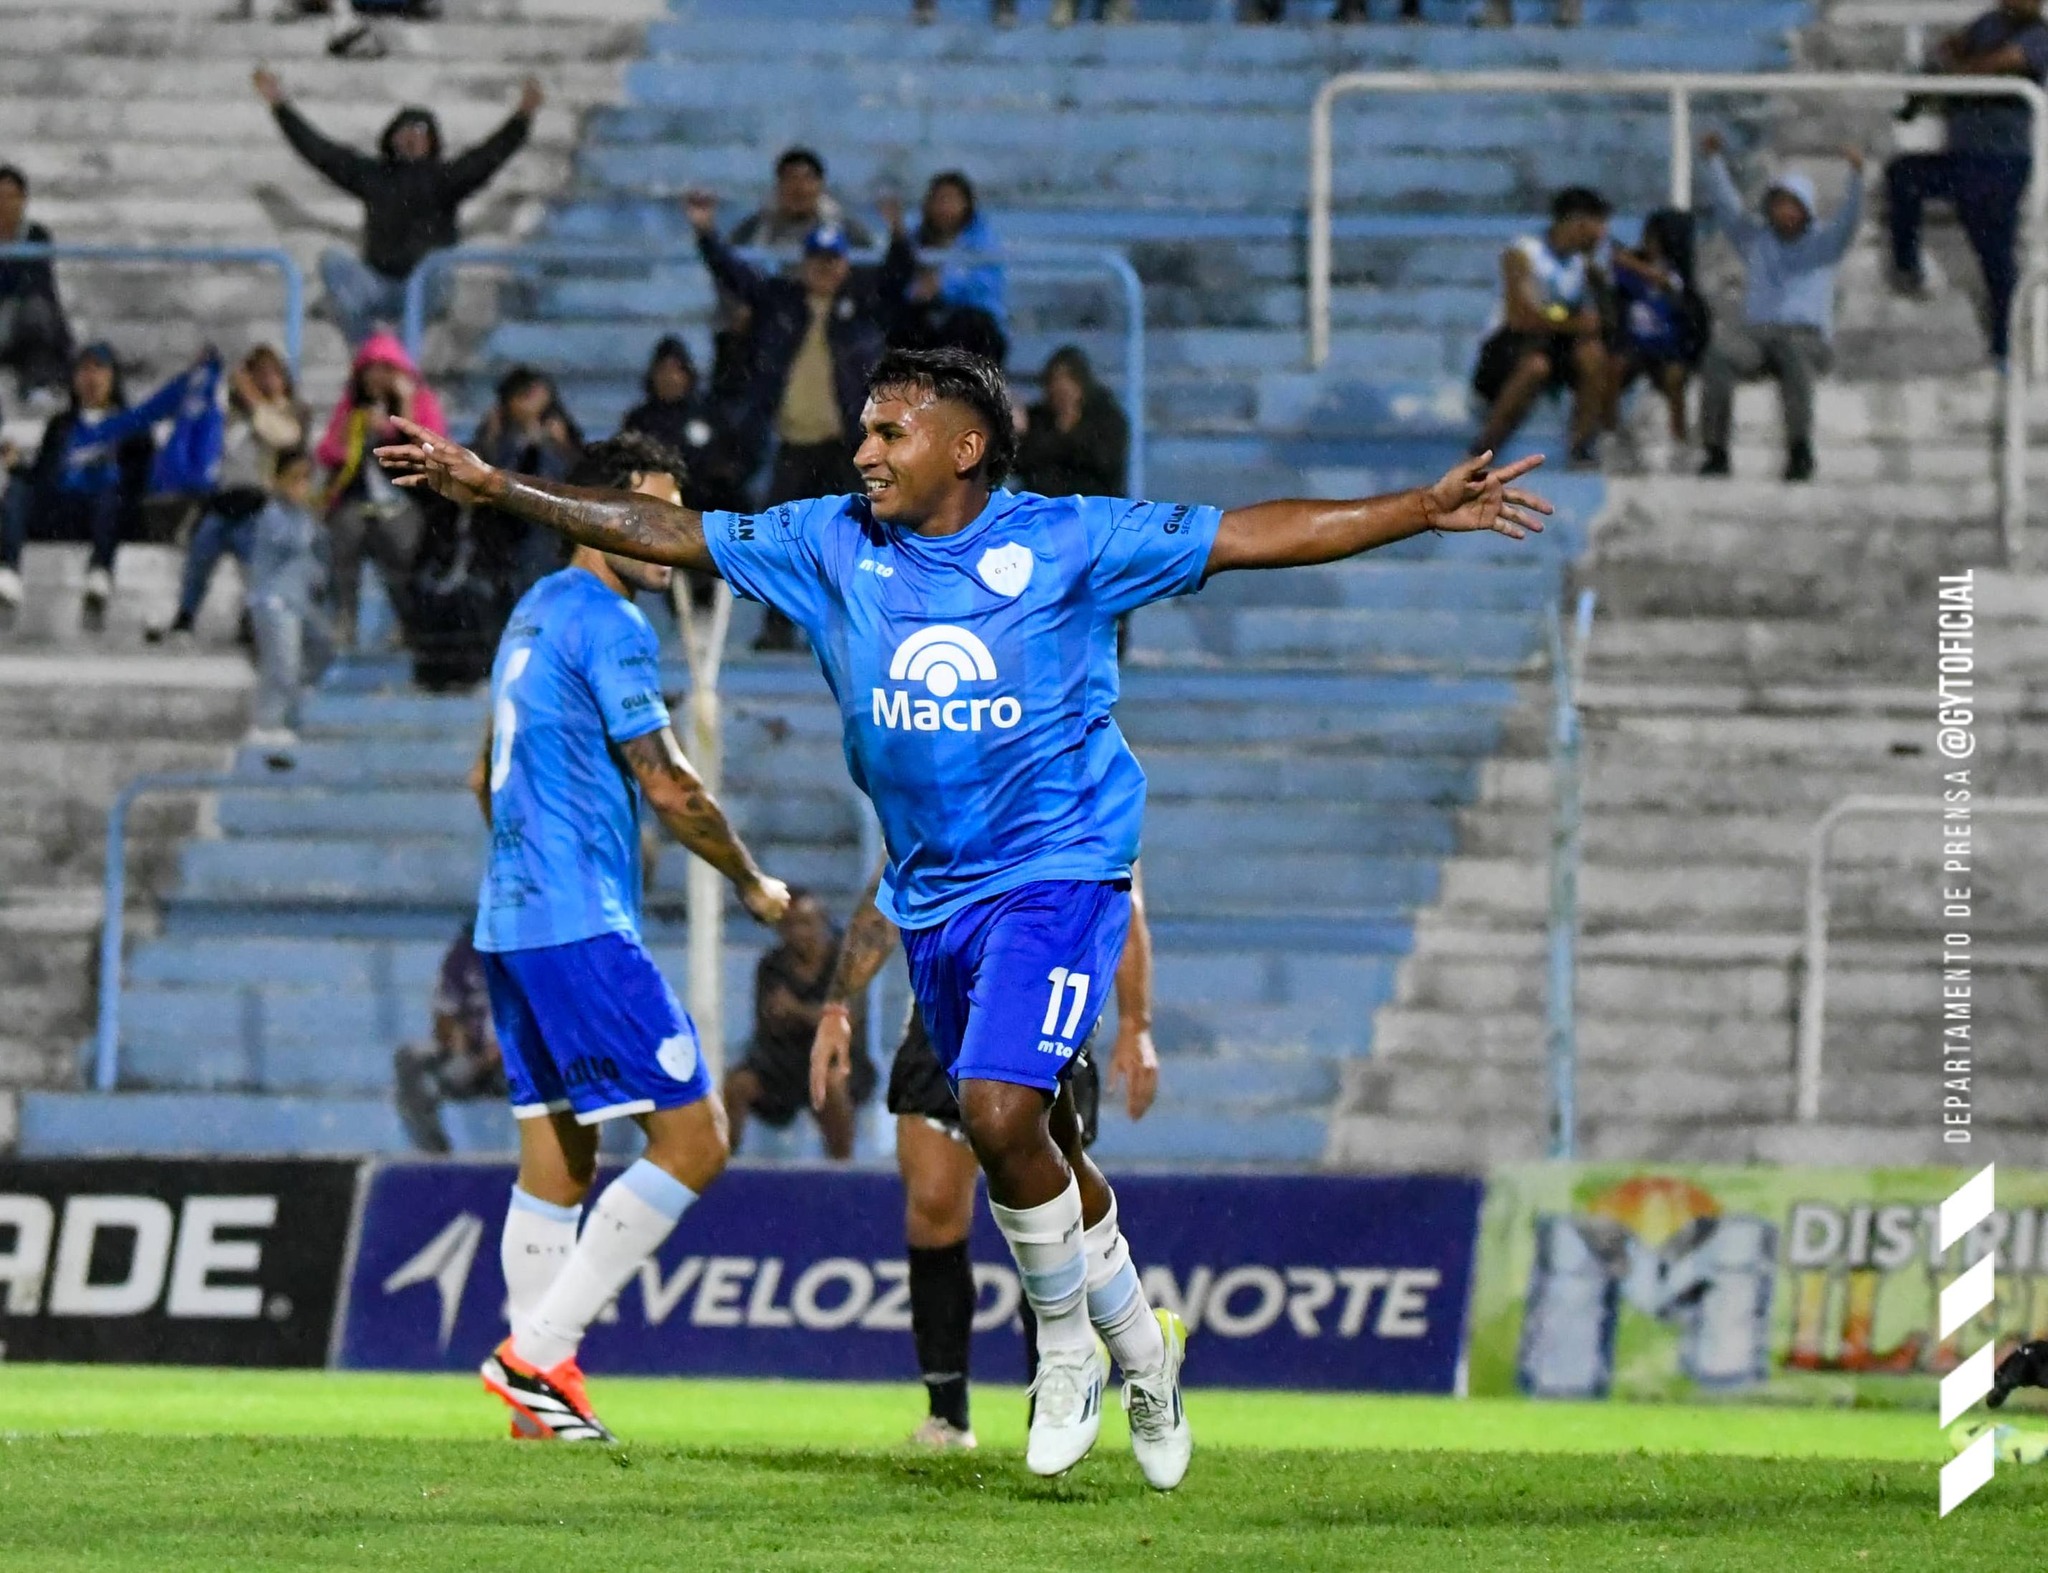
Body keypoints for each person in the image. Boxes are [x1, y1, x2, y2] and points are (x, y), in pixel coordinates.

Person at [376, 345, 1549, 1487]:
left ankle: (1065, 1356)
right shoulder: (828, 540)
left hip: (1062, 868)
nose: (864, 448)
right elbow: (668, 532)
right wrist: (498, 486)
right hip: (931, 894)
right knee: (1046, 1150)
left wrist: (1416, 506)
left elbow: (1253, 534)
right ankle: (1142, 1346)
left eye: (890, 431)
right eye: (865, 429)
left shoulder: (1064, 538)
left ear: (965, 446)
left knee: (995, 1111)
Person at [456, 432, 789, 1442]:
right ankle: (535, 1355)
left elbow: (481, 778)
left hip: (510, 918)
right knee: (696, 1136)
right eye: (645, 515)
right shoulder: (607, 621)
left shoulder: (533, 613)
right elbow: (667, 782)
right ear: (595, 513)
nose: (664, 538)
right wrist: (749, 878)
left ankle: (538, 1408)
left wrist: (538, 861)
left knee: (556, 1162)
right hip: (576, 921)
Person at [812, 861, 1159, 1451]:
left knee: (1047, 1201)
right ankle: (947, 1416)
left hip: (1045, 996)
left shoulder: (1076, 782)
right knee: (932, 1204)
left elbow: (1127, 902)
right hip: (945, 1008)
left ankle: (1057, 1407)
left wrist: (1136, 1023)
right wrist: (837, 1007)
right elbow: (885, 894)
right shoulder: (937, 781)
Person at [684, 188, 914, 650]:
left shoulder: (862, 305)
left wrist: (897, 233)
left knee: (854, 540)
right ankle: (778, 626)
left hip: (844, 442)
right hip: (789, 440)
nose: (825, 270)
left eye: (833, 261)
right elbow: (736, 277)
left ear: (846, 264)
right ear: (804, 263)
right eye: (817, 260)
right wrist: (706, 233)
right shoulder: (781, 301)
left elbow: (896, 276)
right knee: (779, 540)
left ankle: (853, 628)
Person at [253, 68, 542, 349]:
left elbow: (488, 156)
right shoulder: (372, 174)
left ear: (432, 141)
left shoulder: (446, 178)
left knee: (439, 273)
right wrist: (281, 106)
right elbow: (321, 153)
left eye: (420, 131)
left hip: (422, 284)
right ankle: (369, 352)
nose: (411, 137)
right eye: (405, 130)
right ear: (391, 137)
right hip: (377, 281)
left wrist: (523, 117)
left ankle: (396, 359)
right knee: (332, 261)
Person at [1885, 0, 2048, 363]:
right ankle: (1907, 266)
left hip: (2000, 161)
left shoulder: (2039, 35)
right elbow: (1951, 48)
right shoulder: (1987, 24)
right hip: (1962, 155)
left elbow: (2000, 64)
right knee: (1903, 175)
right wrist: (1943, 64)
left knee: (1994, 253)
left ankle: (2006, 346)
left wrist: (1956, 73)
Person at [1696, 135, 1865, 483]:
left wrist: (1856, 176)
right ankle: (1715, 451)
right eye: (1778, 204)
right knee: (1719, 355)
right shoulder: (1757, 239)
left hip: (1806, 338)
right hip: (1759, 338)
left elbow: (1848, 223)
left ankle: (1800, 450)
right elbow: (1728, 209)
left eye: (1793, 205)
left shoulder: (1822, 244)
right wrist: (1713, 162)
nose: (1785, 213)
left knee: (1793, 353)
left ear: (1805, 208)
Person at [0, 345, 205, 628]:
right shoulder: (61, 425)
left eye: (99, 370)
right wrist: (16, 465)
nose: (91, 378)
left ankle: (99, 573)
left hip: (107, 513)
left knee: (109, 495)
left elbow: (140, 480)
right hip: (60, 510)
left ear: (112, 377)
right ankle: (8, 571)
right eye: (84, 370)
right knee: (18, 489)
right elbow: (42, 477)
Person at [152, 345, 307, 644]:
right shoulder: (226, 413)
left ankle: (254, 621)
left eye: (273, 374)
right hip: (220, 502)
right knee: (199, 561)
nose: (267, 381)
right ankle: (185, 618)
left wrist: (253, 399)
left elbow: (284, 436)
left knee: (256, 569)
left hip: (258, 505)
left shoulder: (289, 412)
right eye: (259, 374)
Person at [317, 330, 446, 649]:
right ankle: (344, 621)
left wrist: (400, 413)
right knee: (344, 538)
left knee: (401, 549)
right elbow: (327, 452)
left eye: (386, 370)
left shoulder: (420, 402)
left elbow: (434, 450)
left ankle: (408, 625)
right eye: (371, 370)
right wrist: (351, 439)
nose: (377, 378)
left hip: (406, 499)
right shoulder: (351, 408)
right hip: (358, 499)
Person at [723, 889, 873, 1161]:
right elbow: (769, 1022)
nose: (798, 933)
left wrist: (795, 1010)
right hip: (784, 1061)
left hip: (839, 1059)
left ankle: (842, 1168)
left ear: (822, 922)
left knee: (831, 1083)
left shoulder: (846, 964)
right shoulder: (771, 966)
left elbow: (847, 1020)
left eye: (805, 923)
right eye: (789, 925)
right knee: (737, 1084)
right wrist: (815, 1016)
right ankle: (723, 1165)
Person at [1470, 186, 1613, 468]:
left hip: (1551, 344)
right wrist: (1575, 324)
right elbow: (1520, 317)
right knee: (1536, 366)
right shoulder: (1523, 253)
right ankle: (1480, 454)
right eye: (1598, 226)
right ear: (1578, 222)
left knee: (1593, 356)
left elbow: (1599, 324)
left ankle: (1581, 448)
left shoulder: (1584, 266)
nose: (1602, 235)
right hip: (1507, 346)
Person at [243, 447, 335, 752]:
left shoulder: (303, 516)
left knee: (324, 644)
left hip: (298, 602)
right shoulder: (273, 514)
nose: (302, 487)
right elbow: (295, 542)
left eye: (306, 480)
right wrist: (314, 516)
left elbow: (317, 555)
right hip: (273, 602)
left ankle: (296, 694)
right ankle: (266, 724)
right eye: (295, 480)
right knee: (280, 665)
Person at [393, 920, 507, 1156]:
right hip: (469, 1056)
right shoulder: (464, 955)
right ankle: (434, 1154)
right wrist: (459, 1047)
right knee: (409, 1059)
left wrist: (486, 1060)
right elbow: (445, 1011)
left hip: (513, 1068)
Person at [1606, 212, 1709, 464]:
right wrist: (1643, 270)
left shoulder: (1679, 278)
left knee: (1675, 377)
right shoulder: (1631, 270)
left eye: (1656, 239)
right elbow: (1611, 258)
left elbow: (1689, 314)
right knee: (1613, 367)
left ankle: (1679, 439)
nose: (1649, 243)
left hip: (1668, 350)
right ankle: (1611, 433)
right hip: (1633, 347)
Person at [620, 336, 749, 514]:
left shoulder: (709, 415)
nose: (669, 378)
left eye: (676, 370)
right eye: (663, 370)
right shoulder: (640, 420)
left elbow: (730, 462)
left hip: (705, 507)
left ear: (688, 374)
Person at [892, 172, 1008, 366]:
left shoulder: (982, 240)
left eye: (951, 200)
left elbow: (986, 284)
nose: (944, 208)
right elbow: (903, 282)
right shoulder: (917, 239)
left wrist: (943, 286)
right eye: (938, 200)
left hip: (976, 326)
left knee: (966, 327)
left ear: (966, 204)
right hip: (931, 323)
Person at [1016, 345, 1128, 497]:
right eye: (1055, 383)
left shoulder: (1106, 419)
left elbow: (1106, 462)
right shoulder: (1038, 419)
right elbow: (1022, 465)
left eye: (1068, 382)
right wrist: (1018, 434)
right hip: (1046, 508)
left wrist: (1069, 431)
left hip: (1095, 506)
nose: (1062, 391)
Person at [0, 166, 71, 404]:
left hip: (25, 319)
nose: (5, 204)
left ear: (23, 200)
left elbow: (40, 283)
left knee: (38, 312)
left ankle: (36, 384)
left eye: (11, 197)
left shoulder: (37, 235)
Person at [726, 148, 873, 255]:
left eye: (807, 179)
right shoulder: (753, 229)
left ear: (821, 186)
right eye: (791, 180)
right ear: (778, 187)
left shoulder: (847, 230)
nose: (799, 187)